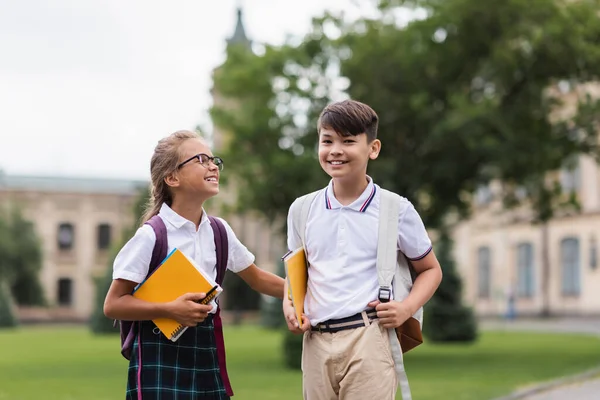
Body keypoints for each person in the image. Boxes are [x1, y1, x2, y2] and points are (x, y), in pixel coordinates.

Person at [104, 130, 285, 400]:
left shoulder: (219, 230)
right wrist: (170, 309)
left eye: (214, 160)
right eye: (201, 159)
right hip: (159, 356)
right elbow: (113, 304)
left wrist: (312, 291)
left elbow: (258, 279)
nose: (213, 166)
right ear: (172, 177)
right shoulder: (152, 235)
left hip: (205, 351)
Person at [282, 100, 443, 400]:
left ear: (373, 148)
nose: (335, 150)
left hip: (370, 337)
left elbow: (431, 270)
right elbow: (295, 273)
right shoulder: (302, 210)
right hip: (315, 341)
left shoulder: (396, 209)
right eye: (327, 140)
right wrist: (289, 306)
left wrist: (406, 308)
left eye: (348, 141)